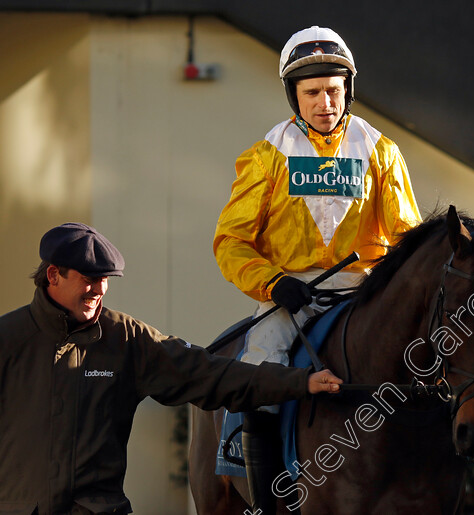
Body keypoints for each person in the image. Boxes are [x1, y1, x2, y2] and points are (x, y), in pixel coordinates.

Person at [212, 26, 422, 514]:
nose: (325, 102)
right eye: (312, 93)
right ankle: (265, 500)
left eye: (333, 90)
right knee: (258, 369)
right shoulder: (267, 156)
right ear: (294, 96)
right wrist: (274, 283)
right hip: (290, 291)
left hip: (366, 290)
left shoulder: (382, 152)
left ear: (347, 90)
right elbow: (230, 241)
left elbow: (408, 238)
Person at [0, 223, 343, 514]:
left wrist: (301, 382)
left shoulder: (128, 340)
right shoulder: (8, 340)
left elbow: (211, 374)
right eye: (89, 278)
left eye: (105, 279)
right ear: (53, 275)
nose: (99, 289)